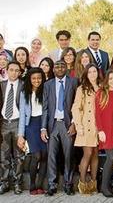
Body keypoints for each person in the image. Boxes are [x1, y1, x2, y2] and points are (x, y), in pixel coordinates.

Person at [43, 60, 79, 196]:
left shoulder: (74, 82)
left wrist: (74, 123)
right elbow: (45, 108)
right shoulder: (48, 85)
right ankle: (52, 185)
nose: (59, 68)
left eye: (62, 66)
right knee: (51, 156)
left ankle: (68, 184)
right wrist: (43, 128)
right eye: (57, 66)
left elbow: (77, 104)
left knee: (69, 155)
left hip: (68, 124)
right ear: (53, 69)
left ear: (67, 68)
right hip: (52, 125)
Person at [72, 64, 101, 195]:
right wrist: (79, 126)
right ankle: (82, 183)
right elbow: (76, 108)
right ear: (86, 74)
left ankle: (93, 183)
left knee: (95, 154)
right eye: (90, 72)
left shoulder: (102, 88)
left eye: (94, 71)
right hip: (85, 125)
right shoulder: (81, 89)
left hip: (98, 126)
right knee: (87, 153)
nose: (93, 74)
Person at [17, 68, 47, 195]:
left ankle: (40, 185)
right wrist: (21, 135)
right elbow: (22, 115)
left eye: (39, 78)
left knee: (45, 155)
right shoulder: (25, 93)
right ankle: (32, 185)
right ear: (29, 79)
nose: (37, 81)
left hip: (44, 124)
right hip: (31, 126)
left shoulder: (46, 90)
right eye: (34, 78)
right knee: (36, 156)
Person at [95, 71, 113, 197]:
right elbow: (97, 113)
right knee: (110, 157)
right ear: (107, 80)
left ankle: (107, 185)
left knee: (112, 157)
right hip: (105, 130)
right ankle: (104, 187)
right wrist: (100, 130)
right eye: (111, 78)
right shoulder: (101, 93)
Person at [0, 62, 24, 194]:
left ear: (19, 73)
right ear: (7, 71)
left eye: (16, 71)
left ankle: (17, 184)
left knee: (18, 156)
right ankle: (4, 183)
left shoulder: (23, 85)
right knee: (4, 156)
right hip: (4, 123)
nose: (14, 73)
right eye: (11, 70)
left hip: (17, 123)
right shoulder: (2, 85)